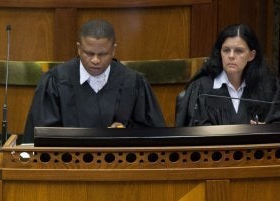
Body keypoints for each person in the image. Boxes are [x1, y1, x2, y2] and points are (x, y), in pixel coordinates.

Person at [22, 19, 165, 143]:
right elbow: (41, 136)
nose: (95, 60)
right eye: (89, 53)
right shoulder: (55, 81)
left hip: (120, 168)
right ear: (79, 48)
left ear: (114, 50)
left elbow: (153, 135)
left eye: (103, 54)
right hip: (68, 168)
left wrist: (125, 132)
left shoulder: (133, 82)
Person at [175, 24, 280, 126]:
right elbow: (195, 132)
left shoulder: (268, 88)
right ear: (220, 53)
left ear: (251, 55)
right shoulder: (201, 89)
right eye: (226, 50)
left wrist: (265, 129)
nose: (231, 56)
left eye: (239, 51)